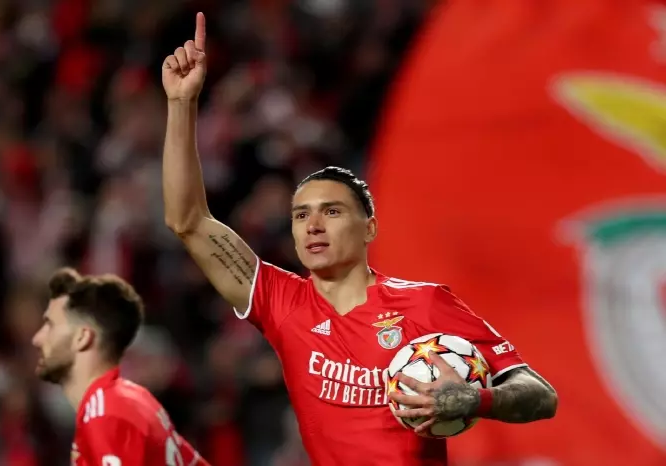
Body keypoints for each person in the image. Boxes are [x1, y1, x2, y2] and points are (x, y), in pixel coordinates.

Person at [161, 12, 558, 466]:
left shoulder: (426, 304)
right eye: (301, 215)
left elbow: (539, 395)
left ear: (369, 227)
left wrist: (476, 399)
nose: (313, 225)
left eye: (331, 211)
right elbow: (188, 220)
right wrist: (181, 104)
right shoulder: (281, 302)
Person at [31, 268, 210, 466]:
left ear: (82, 338)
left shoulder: (107, 416)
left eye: (50, 325)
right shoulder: (132, 397)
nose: (37, 338)